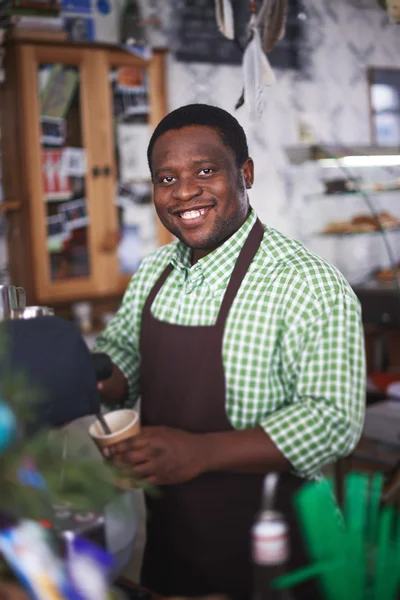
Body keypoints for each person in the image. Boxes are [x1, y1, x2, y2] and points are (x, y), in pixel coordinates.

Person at [94, 104, 366, 599]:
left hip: (282, 550)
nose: (183, 192)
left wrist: (199, 451)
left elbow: (333, 421)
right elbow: (122, 367)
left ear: (245, 173)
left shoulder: (306, 283)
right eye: (166, 178)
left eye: (204, 171)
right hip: (174, 544)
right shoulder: (154, 273)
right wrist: (75, 367)